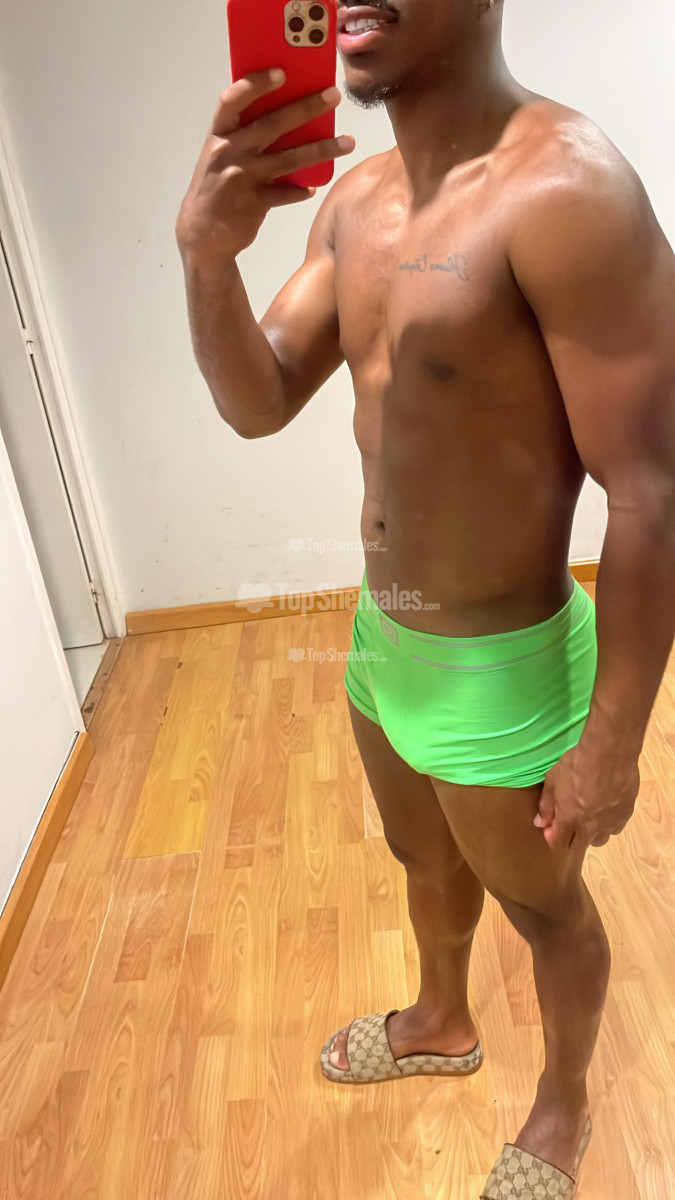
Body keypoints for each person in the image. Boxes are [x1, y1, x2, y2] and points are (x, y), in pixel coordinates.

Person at [175, 1, 675, 1195]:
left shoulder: (570, 191)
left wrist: (614, 741)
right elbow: (257, 401)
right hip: (381, 630)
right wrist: (206, 259)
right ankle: (442, 1021)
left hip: (503, 665)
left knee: (545, 911)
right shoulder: (357, 202)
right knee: (421, 856)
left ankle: (564, 1107)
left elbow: (653, 490)